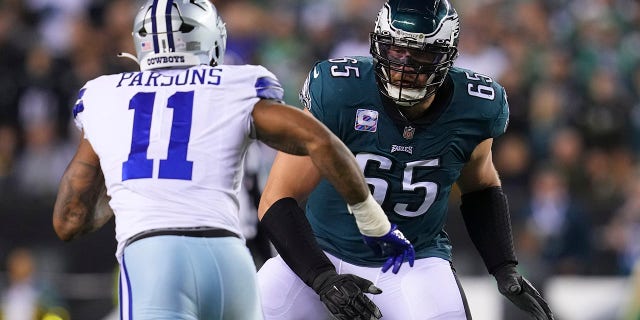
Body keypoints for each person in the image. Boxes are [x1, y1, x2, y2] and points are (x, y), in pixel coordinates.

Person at [51, 1, 415, 319]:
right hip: (229, 258)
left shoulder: (103, 96)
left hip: (153, 257)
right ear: (210, 39)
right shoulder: (233, 84)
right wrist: (371, 220)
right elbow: (321, 142)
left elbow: (69, 220)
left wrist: (130, 188)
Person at [257, 0, 555, 319]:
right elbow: (277, 197)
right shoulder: (340, 91)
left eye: (421, 54)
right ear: (378, 46)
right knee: (251, 306)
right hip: (323, 250)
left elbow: (480, 188)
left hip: (415, 262)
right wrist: (322, 277)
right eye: (396, 50)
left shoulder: (476, 106)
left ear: (447, 56)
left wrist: (504, 266)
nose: (405, 65)